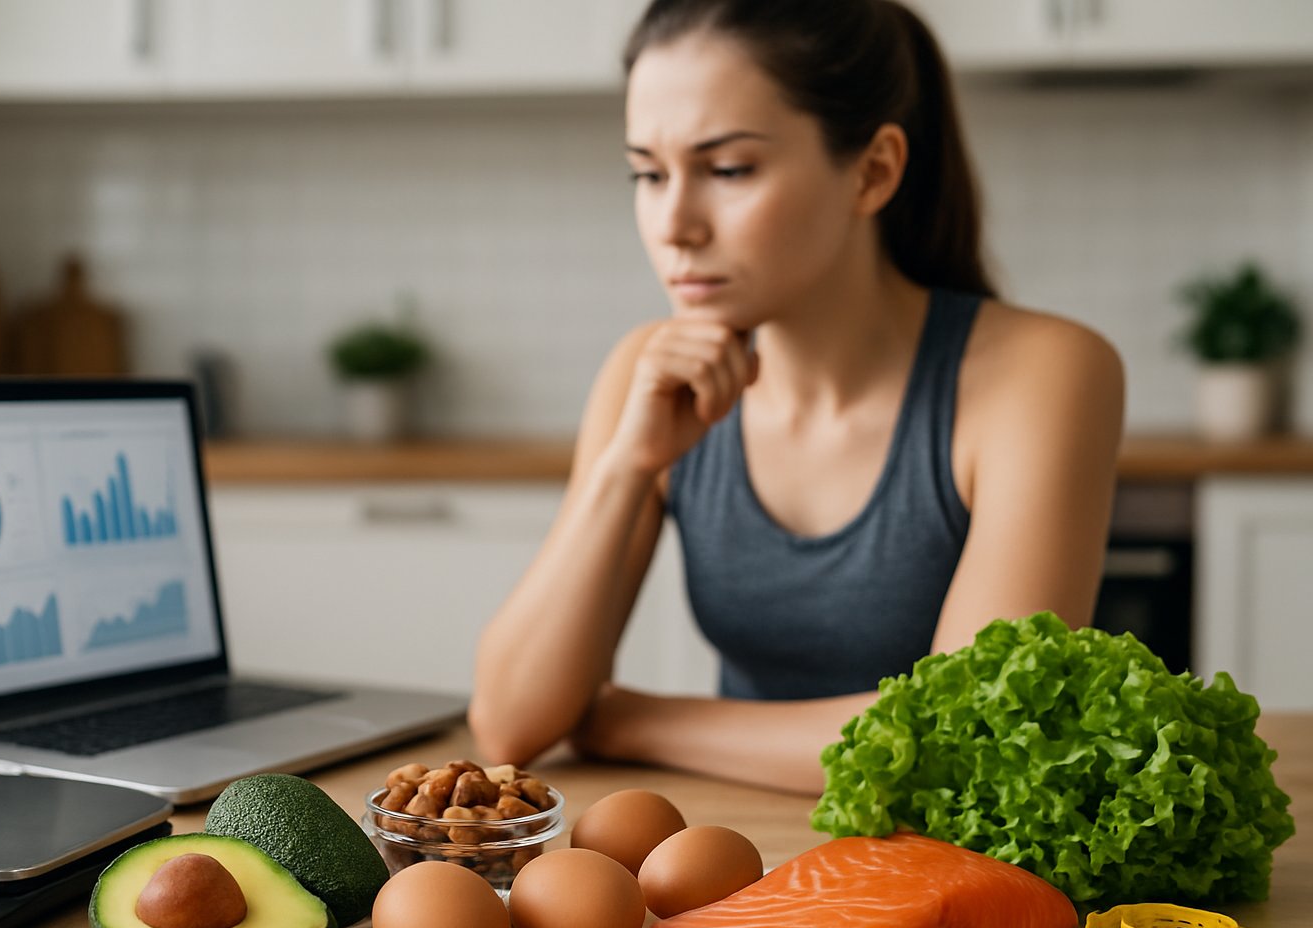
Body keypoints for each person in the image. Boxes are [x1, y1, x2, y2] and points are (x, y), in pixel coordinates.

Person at [469, 0, 1124, 793]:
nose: (673, 224)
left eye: (728, 169)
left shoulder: (1044, 372)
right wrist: (626, 468)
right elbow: (509, 724)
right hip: (742, 855)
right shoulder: (647, 374)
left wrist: (631, 719)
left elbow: (973, 740)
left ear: (873, 170)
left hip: (939, 874)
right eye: (647, 173)